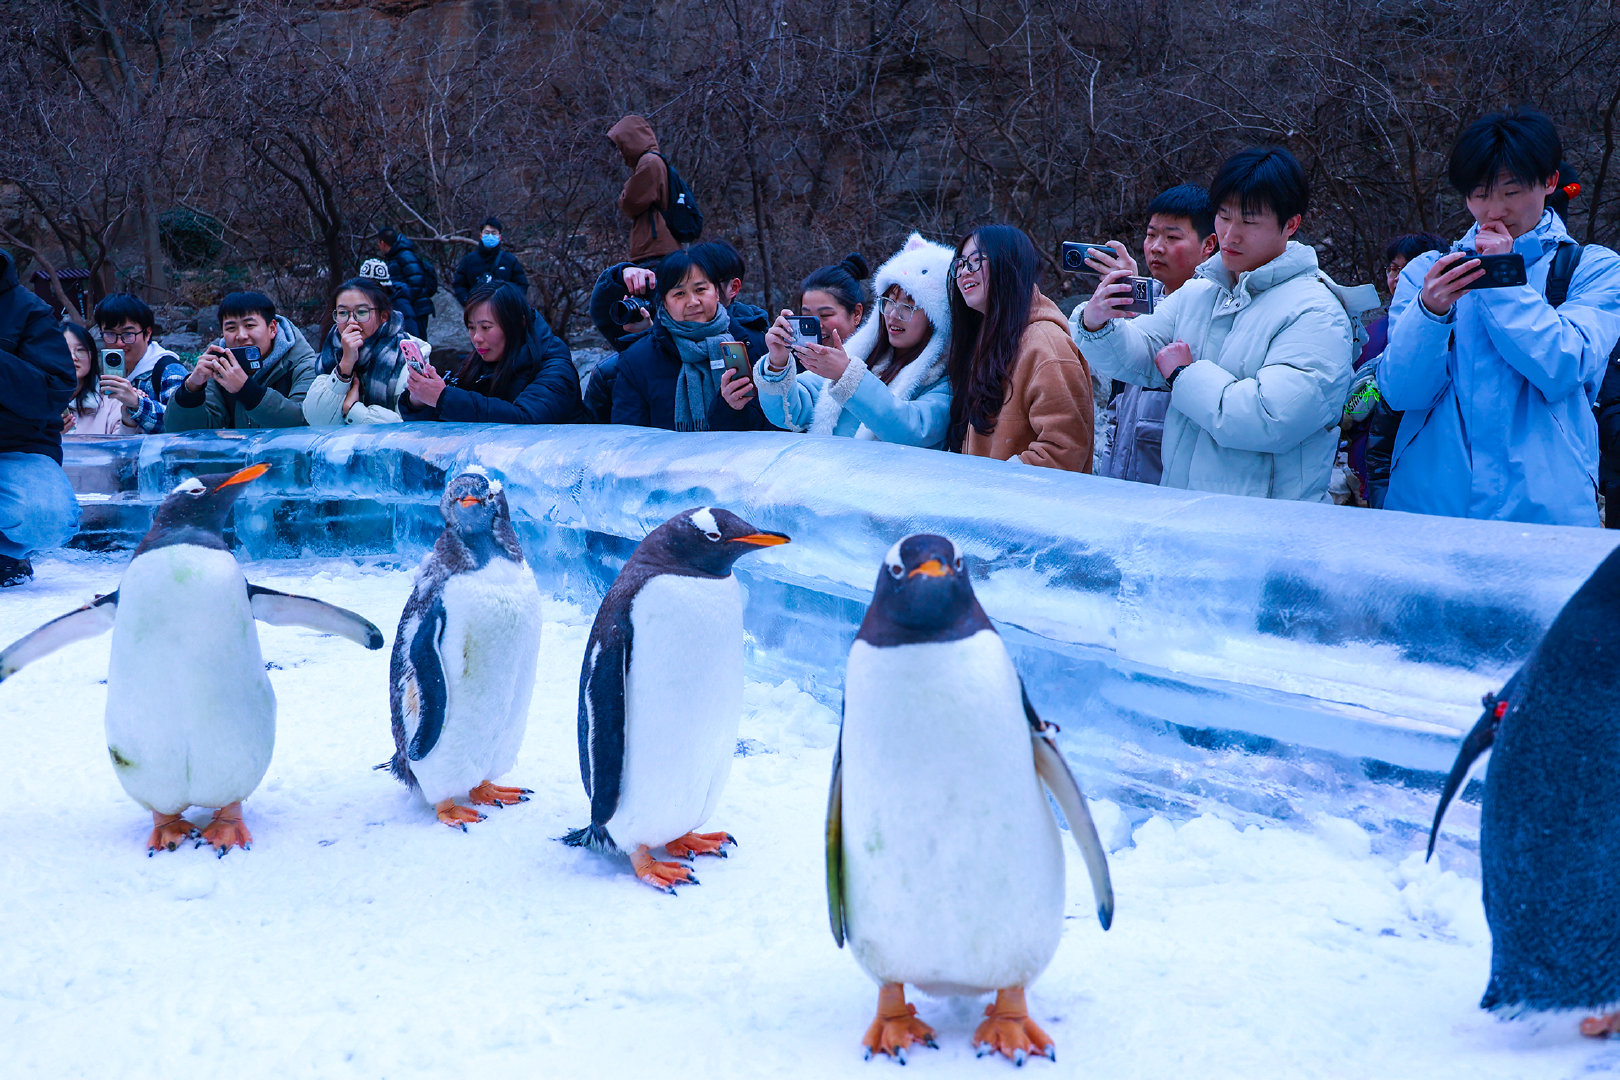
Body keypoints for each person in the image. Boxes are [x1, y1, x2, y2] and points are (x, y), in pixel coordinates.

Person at [1074, 147, 1373, 500]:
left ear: (1291, 224)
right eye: (1223, 216)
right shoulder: (1203, 292)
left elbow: (1271, 418)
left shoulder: (1317, 312)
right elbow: (1137, 354)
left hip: (1264, 531)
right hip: (1187, 512)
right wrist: (1097, 324)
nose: (1230, 235)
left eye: (1248, 222)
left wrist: (1184, 375)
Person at [1381, 108, 1620, 526]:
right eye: (1479, 194)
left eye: (1510, 192)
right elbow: (1402, 393)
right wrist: (1429, 314)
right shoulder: (1425, 273)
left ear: (1549, 182)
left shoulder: (1592, 269)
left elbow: (1563, 365)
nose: (1493, 211)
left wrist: (1503, 279)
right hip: (1429, 511)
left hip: (1545, 516)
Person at [755, 233, 955, 448]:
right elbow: (789, 412)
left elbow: (912, 430)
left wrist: (848, 377)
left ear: (937, 318)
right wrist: (777, 362)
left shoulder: (945, 383)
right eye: (889, 301)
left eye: (909, 306)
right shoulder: (861, 359)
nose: (893, 314)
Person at [1084, 184, 1221, 482]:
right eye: (1151, 234)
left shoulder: (1215, 314)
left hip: (1168, 487)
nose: (1157, 247)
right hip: (1119, 475)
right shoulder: (1140, 304)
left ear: (1208, 245)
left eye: (1172, 237)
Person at [948, 225, 1093, 470]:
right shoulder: (992, 337)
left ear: (1008, 263)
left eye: (975, 261)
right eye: (960, 264)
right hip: (987, 503)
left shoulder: (1045, 343)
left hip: (1019, 505)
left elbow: (1064, 450)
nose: (964, 272)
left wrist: (994, 484)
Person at [609, 250, 769, 431]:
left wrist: (732, 409)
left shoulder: (753, 344)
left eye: (700, 289)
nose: (692, 302)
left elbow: (776, 428)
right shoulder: (637, 361)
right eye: (679, 294)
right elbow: (629, 438)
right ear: (664, 302)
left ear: (717, 292)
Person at [1341, 233, 1447, 507]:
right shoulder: (1371, 331)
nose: (1398, 277)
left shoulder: (1445, 330)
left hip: (1417, 469)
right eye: (1393, 268)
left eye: (1408, 268)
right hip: (1363, 464)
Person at [0, 246, 79, 586]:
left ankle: (5, 553)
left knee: (49, 519)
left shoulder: (28, 310)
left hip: (16, 450)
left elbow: (53, 392)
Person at [401, 283, 584, 425]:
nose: (477, 338)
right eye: (471, 328)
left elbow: (526, 421)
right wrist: (421, 401)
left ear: (517, 325)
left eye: (486, 327)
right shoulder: (480, 362)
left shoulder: (556, 369)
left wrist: (444, 398)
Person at [163, 291, 319, 431]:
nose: (241, 336)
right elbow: (186, 432)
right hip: (240, 462)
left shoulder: (304, 364)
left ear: (272, 329)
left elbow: (304, 421)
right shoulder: (217, 365)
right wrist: (191, 389)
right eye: (231, 328)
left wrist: (246, 390)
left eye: (249, 325)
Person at [302, 278, 432, 426]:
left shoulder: (409, 353)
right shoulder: (331, 351)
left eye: (362, 312)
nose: (351, 321)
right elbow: (316, 420)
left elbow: (409, 426)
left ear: (383, 316)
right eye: (343, 312)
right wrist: (346, 363)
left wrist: (353, 411)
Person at [93, 293, 185, 435]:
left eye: (128, 334)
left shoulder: (168, 370)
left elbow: (182, 424)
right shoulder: (106, 372)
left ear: (147, 333)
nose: (119, 342)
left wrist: (137, 403)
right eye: (110, 334)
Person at [608, 115, 680, 265]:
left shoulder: (649, 163)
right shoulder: (653, 161)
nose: (620, 153)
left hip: (656, 247)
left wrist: (625, 192)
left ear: (631, 141)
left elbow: (630, 202)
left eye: (622, 145)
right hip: (658, 246)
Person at [61, 323, 123, 435]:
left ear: (92, 355)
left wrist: (129, 421)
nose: (73, 357)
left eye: (80, 350)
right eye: (64, 350)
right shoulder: (36, 402)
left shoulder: (111, 400)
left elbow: (124, 446)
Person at [451, 217, 528, 304]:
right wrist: (467, 301)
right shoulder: (469, 260)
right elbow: (459, 285)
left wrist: (510, 302)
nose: (490, 236)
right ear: (481, 236)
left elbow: (521, 285)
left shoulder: (510, 260)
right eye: (487, 233)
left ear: (499, 237)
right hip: (476, 309)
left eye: (493, 233)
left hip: (503, 310)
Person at [375, 227, 435, 338]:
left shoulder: (404, 256)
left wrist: (398, 293)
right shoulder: (397, 256)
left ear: (382, 243)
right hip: (412, 307)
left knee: (418, 342)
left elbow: (417, 283)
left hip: (417, 308)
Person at [799, 254, 869, 347]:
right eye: (807, 317)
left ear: (856, 314)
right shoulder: (791, 357)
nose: (816, 325)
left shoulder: (880, 359)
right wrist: (778, 359)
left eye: (825, 314)